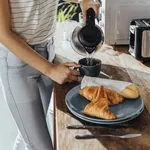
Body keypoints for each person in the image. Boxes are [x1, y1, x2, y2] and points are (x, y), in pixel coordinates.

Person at [0, 0, 100, 150]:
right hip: (18, 62)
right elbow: (3, 33)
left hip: (47, 50)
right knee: (40, 146)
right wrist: (51, 70)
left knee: (27, 135)